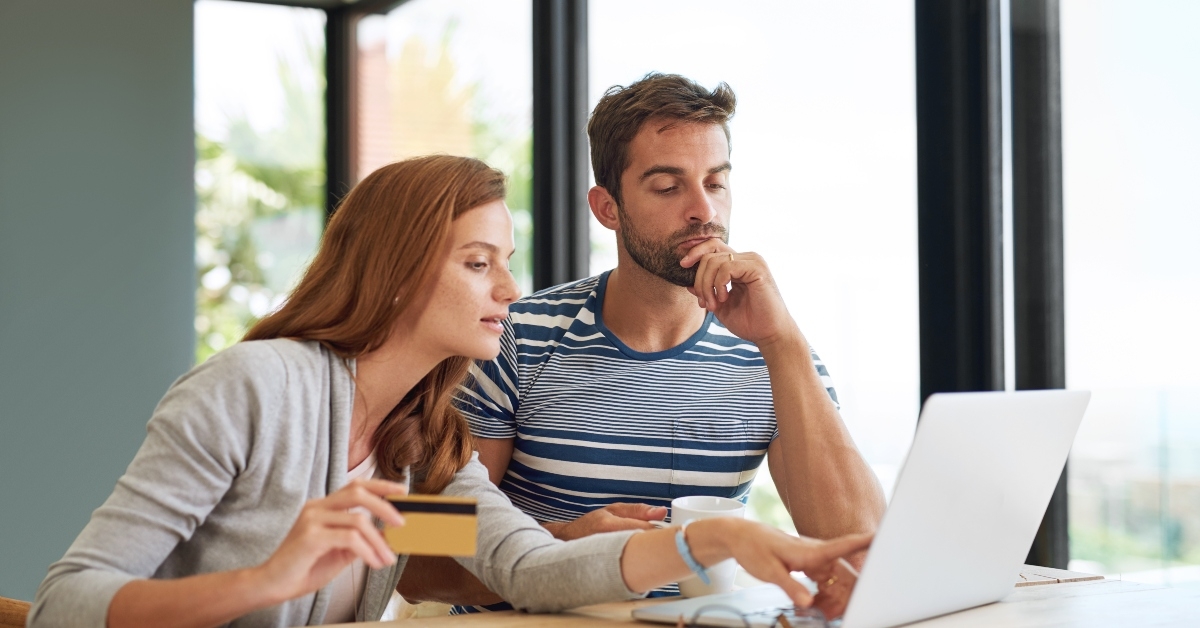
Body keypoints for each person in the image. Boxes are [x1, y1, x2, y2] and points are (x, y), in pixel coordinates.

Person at [27, 155, 872, 628]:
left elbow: (525, 567)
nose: (510, 290)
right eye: (479, 264)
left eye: (507, 261)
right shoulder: (249, 391)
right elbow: (68, 599)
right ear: (394, 276)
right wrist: (268, 580)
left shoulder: (421, 441)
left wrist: (718, 541)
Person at [403, 74, 887, 618]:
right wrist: (559, 543)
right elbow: (415, 560)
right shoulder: (511, 338)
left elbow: (862, 555)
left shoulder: (774, 354)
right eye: (668, 186)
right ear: (607, 208)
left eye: (717, 182)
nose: (704, 211)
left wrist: (783, 342)